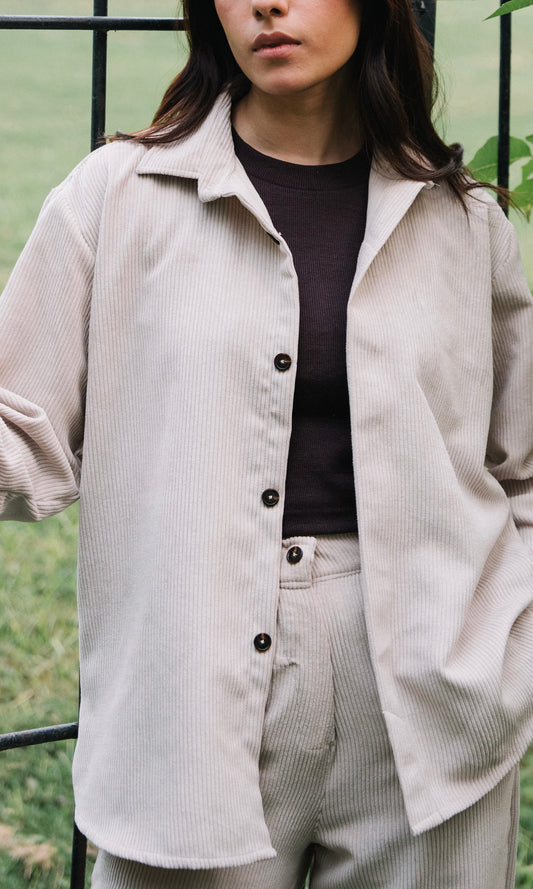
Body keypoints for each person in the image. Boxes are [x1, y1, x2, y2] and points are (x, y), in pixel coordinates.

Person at [1, 0, 533, 886]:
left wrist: (510, 651)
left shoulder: (465, 223)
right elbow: (22, 432)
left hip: (437, 697)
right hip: (187, 690)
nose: (267, 4)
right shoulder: (115, 196)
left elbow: (520, 467)